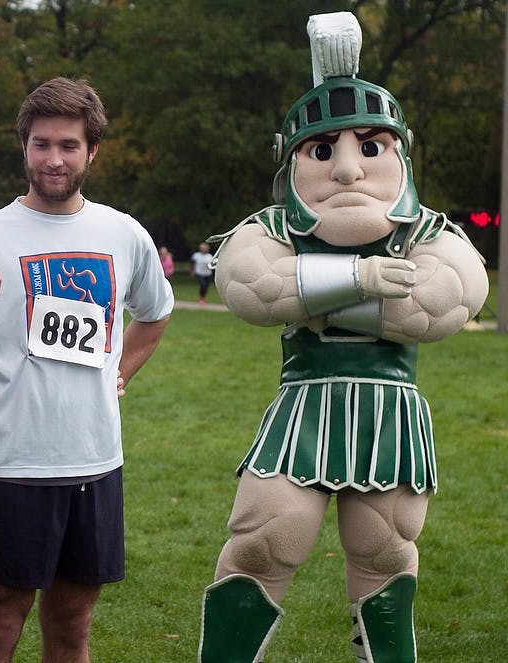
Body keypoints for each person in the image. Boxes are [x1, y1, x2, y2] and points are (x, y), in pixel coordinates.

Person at [197, 13, 488, 662]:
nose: (349, 170)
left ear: (398, 155)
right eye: (324, 150)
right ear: (296, 159)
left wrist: (319, 299)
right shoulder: (273, 225)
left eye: (370, 146)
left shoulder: (428, 231)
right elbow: (249, 284)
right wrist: (362, 277)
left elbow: (445, 300)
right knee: (264, 538)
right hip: (306, 404)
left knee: (386, 550)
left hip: (389, 408)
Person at [0, 77, 174, 663]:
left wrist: (123, 374)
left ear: (92, 152)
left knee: (72, 625)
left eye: (68, 145)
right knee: (0, 622)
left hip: (94, 459)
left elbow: (156, 313)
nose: (54, 159)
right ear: (24, 148)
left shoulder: (123, 233)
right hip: (11, 463)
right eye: (41, 144)